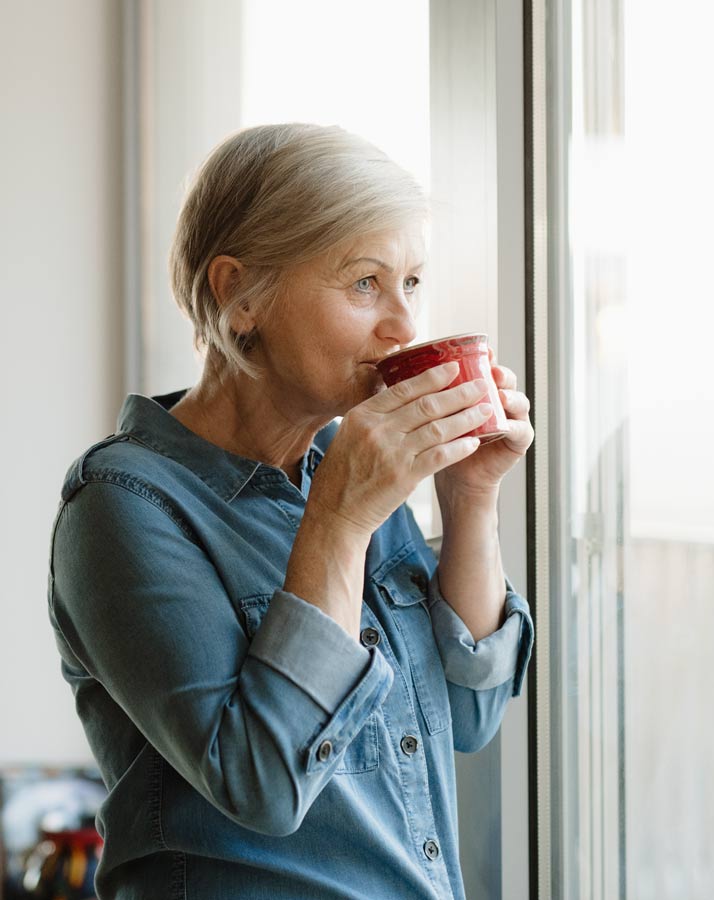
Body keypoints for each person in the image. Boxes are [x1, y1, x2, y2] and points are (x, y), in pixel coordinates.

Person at [48, 123, 534, 900]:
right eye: (364, 284)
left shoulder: (344, 467)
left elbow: (469, 715)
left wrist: (471, 498)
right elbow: (264, 785)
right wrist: (339, 524)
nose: (404, 327)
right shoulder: (122, 507)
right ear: (239, 296)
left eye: (411, 283)